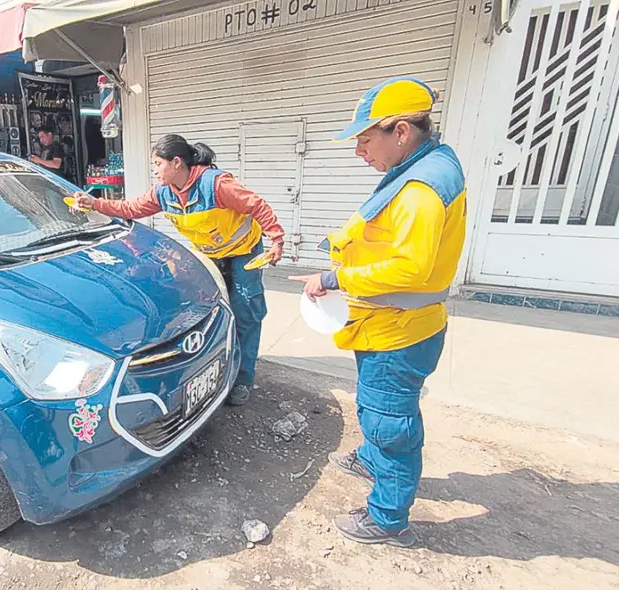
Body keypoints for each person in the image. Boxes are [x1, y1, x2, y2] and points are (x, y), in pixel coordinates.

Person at [288, 77, 467, 547]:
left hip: (400, 331)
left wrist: (334, 279)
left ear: (401, 132)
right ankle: (372, 459)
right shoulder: (425, 163)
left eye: (366, 140)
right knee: (378, 408)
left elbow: (409, 267)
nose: (359, 151)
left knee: (390, 422)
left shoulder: (423, 188)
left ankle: (388, 518)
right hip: (387, 322)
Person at [72, 134, 285, 406]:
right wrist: (94, 203)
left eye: (158, 164)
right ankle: (219, 364)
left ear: (176, 163)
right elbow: (130, 208)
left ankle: (243, 379)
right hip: (210, 254)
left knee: (246, 311)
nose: (155, 170)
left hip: (244, 251)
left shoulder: (216, 184)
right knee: (211, 310)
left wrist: (277, 239)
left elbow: (256, 205)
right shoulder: (163, 193)